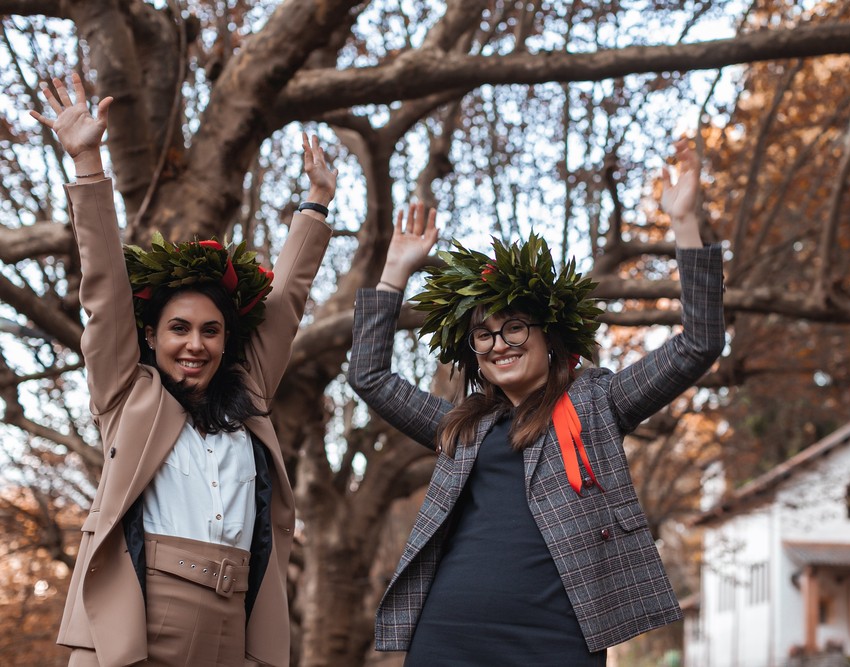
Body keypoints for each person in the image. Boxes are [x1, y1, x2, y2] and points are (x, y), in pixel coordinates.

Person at [348, 141, 726, 665]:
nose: (500, 342)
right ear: (475, 357)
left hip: (555, 641)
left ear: (551, 339)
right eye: (484, 335)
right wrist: (394, 272)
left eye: (515, 327)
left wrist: (684, 224)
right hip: (447, 637)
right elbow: (369, 376)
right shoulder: (459, 425)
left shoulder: (599, 403)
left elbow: (698, 343)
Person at [30, 72, 337, 666]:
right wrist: (89, 165)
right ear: (150, 336)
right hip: (141, 622)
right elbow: (105, 292)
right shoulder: (128, 395)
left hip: (234, 627)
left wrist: (315, 203)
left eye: (211, 330)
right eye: (178, 328)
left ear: (227, 341)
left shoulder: (247, 395)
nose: (195, 344)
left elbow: (287, 301)